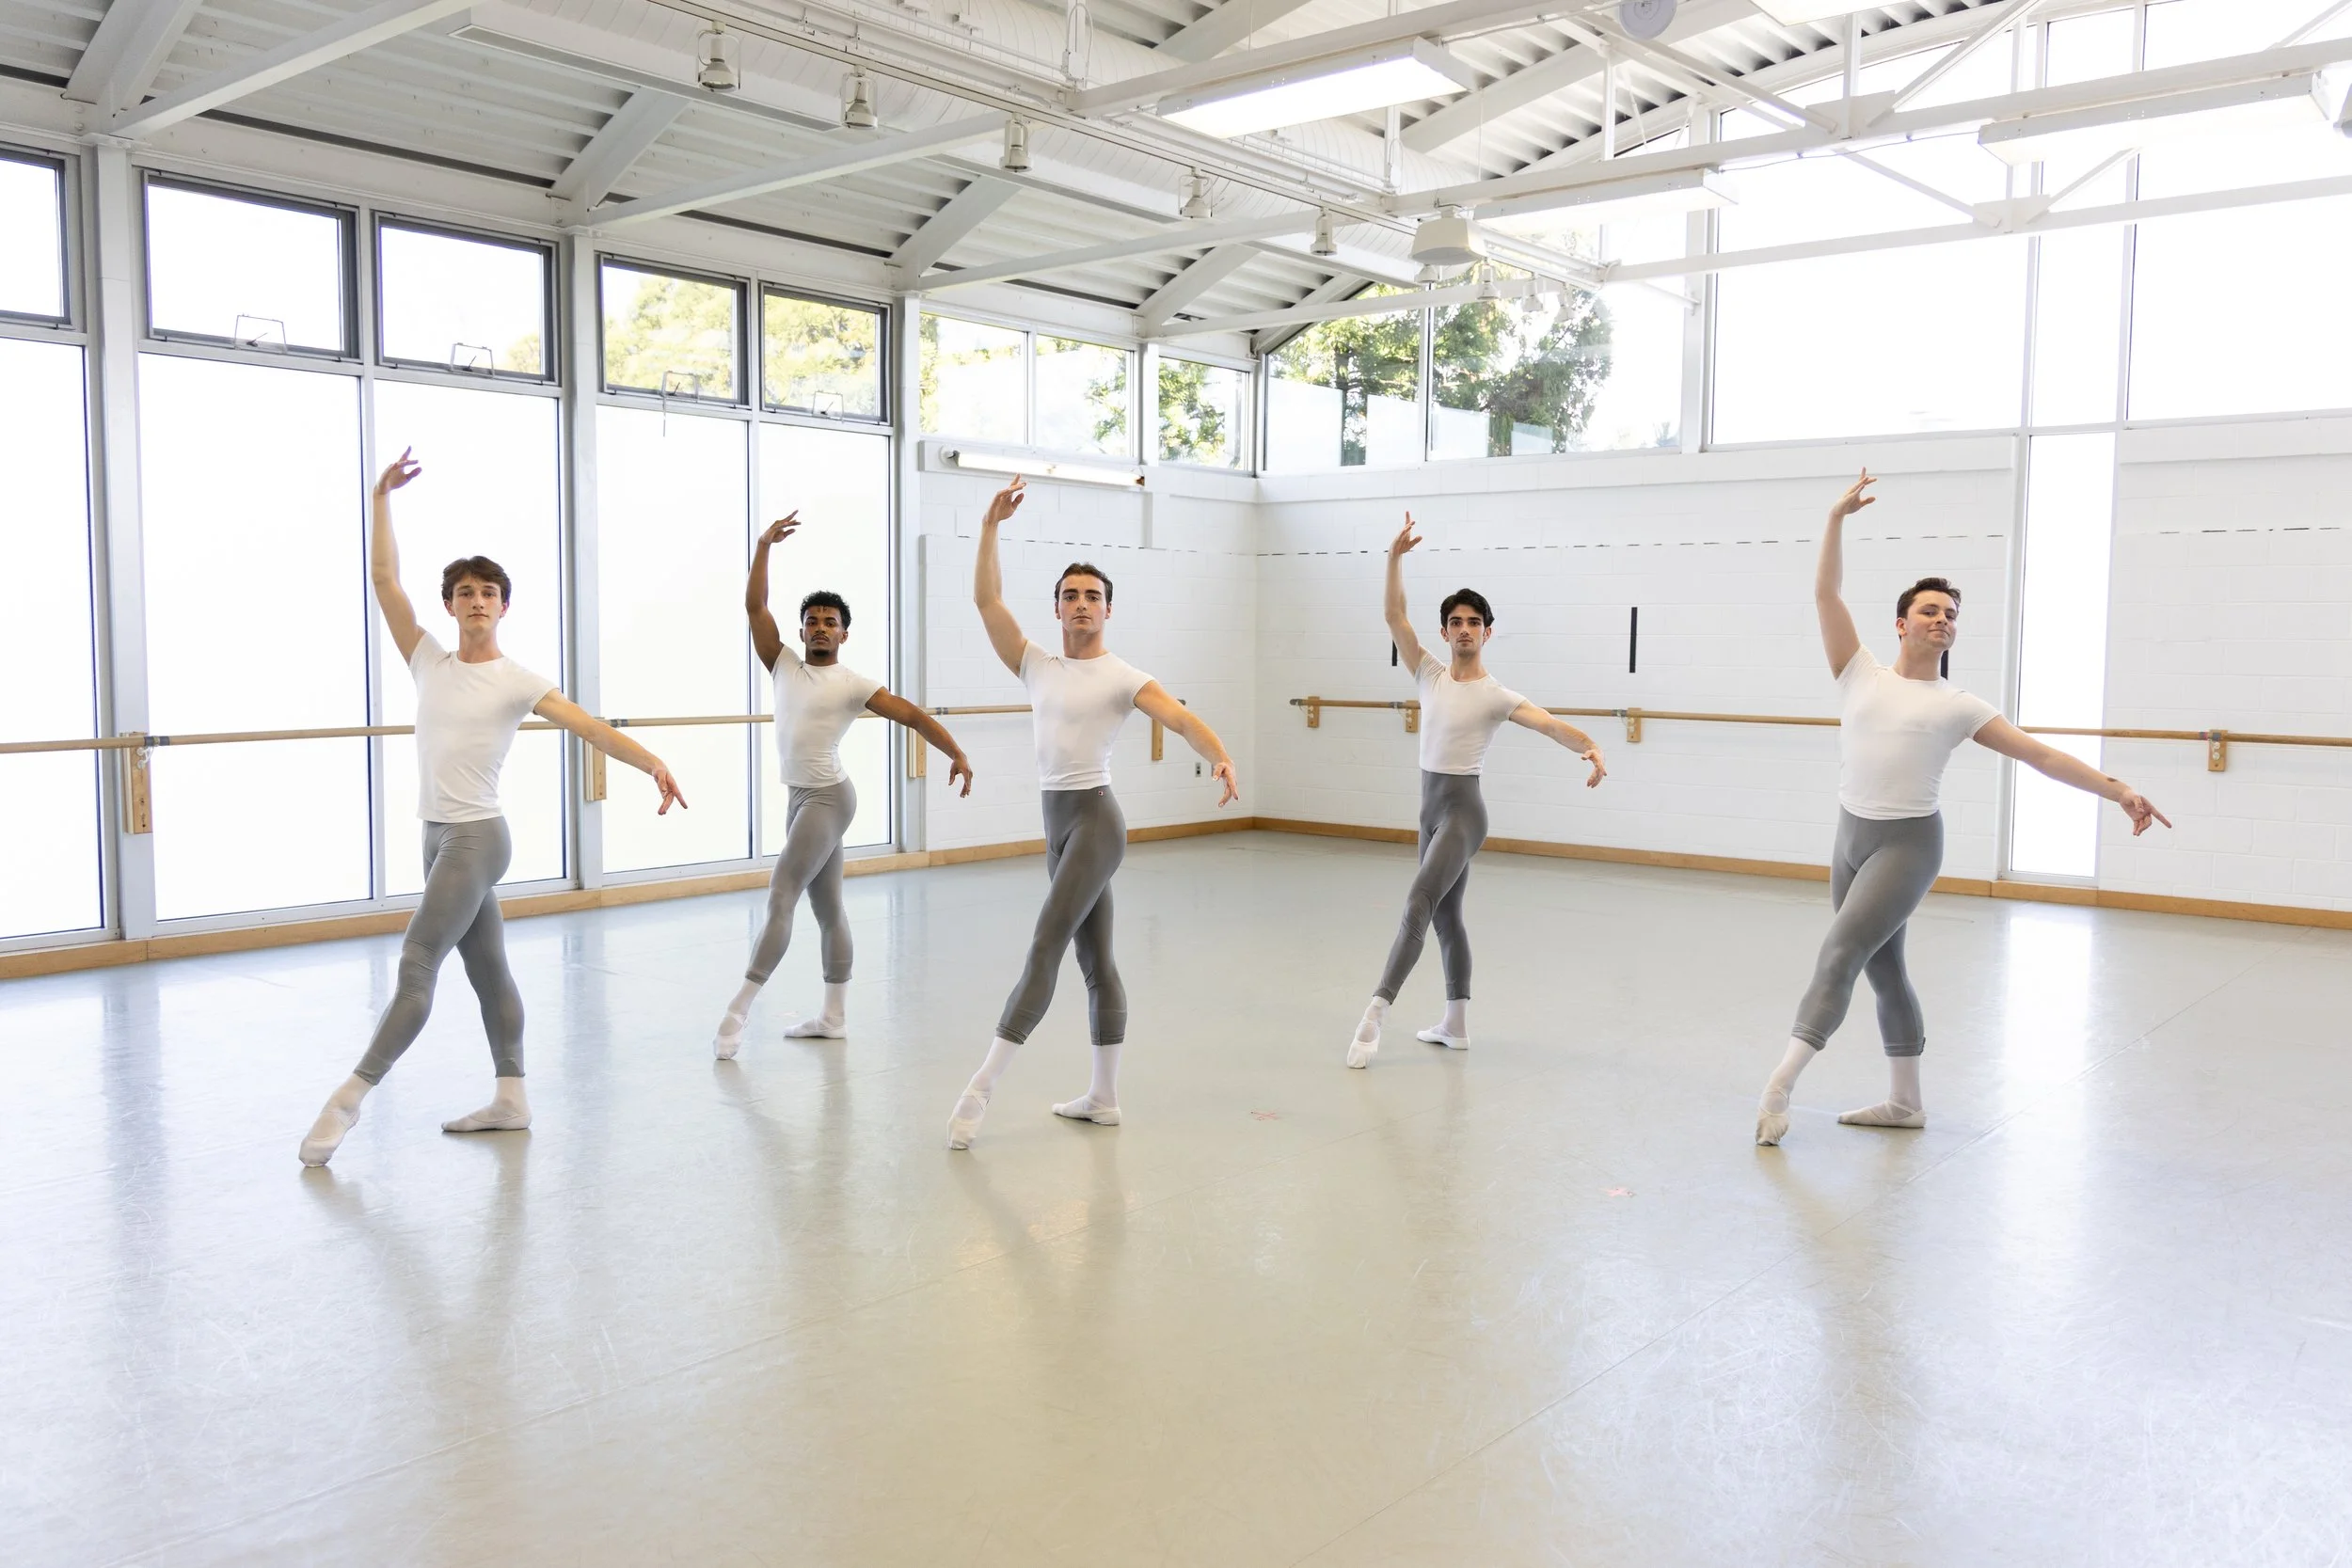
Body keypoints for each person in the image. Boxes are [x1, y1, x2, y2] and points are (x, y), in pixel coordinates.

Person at [1756, 469, 2171, 1146]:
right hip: (1849, 835)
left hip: (1907, 845)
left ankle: (1780, 1084)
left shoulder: (1960, 706)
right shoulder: (1858, 670)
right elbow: (1825, 592)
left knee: (1840, 953)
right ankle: (1905, 1102)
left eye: (1950, 614)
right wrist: (1835, 518)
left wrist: (2118, 787)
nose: (1942, 619)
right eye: (1930, 610)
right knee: (1884, 967)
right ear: (1901, 622)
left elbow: (2041, 756)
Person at [299, 449, 687, 1166]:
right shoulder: (427, 660)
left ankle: (347, 1099)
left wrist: (651, 762)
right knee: (489, 969)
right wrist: (380, 498)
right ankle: (512, 1098)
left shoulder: (518, 679)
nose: (476, 601)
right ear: (449, 605)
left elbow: (590, 727)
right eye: (464, 592)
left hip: (478, 837)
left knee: (418, 961)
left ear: (503, 606)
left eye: (488, 593)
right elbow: (384, 579)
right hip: (436, 833)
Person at [946, 476, 1241, 1149]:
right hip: (1056, 827)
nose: (1082, 604)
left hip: (1097, 824)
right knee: (1096, 961)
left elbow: (1182, 717)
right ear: (1056, 608)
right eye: (1071, 595)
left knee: (1045, 942)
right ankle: (1104, 1096)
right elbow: (986, 599)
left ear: (1108, 610)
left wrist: (1218, 754)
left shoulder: (1124, 676)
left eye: (1093, 596)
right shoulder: (1036, 664)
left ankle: (983, 1083)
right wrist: (990, 525)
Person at [1346, 513, 1608, 1069]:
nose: (1464, 629)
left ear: (1487, 631)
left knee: (1419, 901)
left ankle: (1375, 1012)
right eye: (1455, 621)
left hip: (1464, 815)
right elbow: (1394, 614)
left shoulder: (1496, 694)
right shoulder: (1428, 675)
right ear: (1444, 632)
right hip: (1428, 811)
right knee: (1446, 917)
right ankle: (1456, 1024)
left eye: (1474, 622)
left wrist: (1587, 745)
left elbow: (1547, 722)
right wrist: (1393, 557)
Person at [714, 513, 974, 1056]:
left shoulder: (854, 684)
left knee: (782, 890)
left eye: (831, 621)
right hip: (798, 798)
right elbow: (755, 608)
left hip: (830, 799)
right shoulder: (782, 664)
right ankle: (833, 1018)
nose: (821, 627)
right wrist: (764, 545)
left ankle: (737, 1010)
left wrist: (955, 752)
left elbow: (913, 715)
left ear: (844, 633)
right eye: (813, 620)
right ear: (803, 629)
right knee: (827, 908)